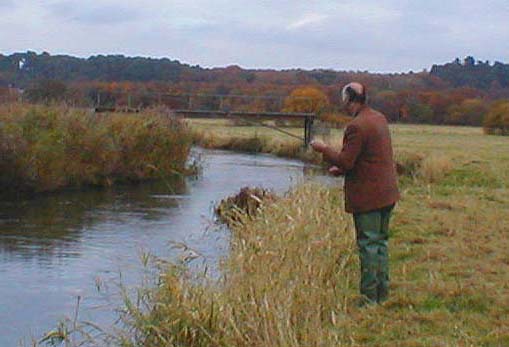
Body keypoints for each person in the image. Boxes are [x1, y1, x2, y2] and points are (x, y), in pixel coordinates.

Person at [311, 82, 400, 305]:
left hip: (369, 196)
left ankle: (369, 298)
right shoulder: (379, 118)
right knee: (380, 244)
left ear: (349, 99)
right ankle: (382, 293)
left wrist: (323, 149)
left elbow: (346, 161)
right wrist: (340, 169)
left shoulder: (356, 126)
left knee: (368, 245)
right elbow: (368, 157)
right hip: (387, 192)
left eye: (344, 98)